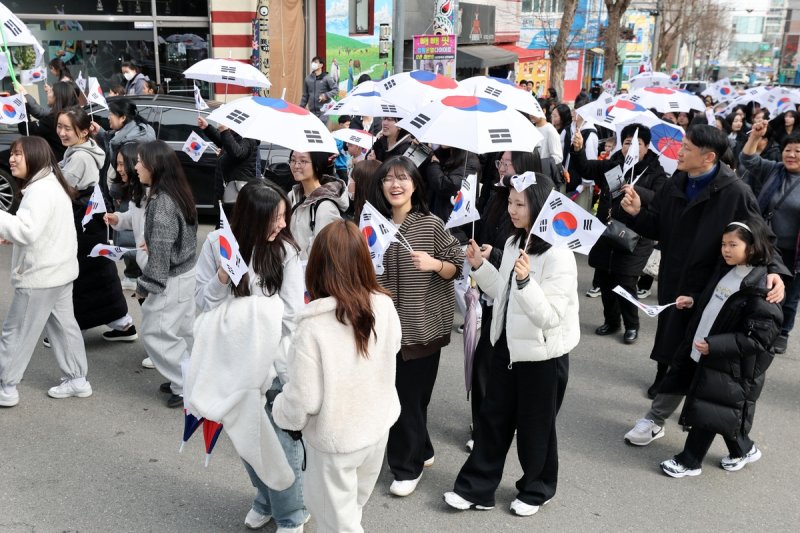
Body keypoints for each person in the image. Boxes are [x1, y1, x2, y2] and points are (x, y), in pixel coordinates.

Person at [619, 125, 788, 443]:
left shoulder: (735, 191)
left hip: (713, 289)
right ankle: (719, 436)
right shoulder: (677, 182)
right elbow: (658, 225)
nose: (678, 152)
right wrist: (637, 213)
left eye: (686, 147)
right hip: (674, 280)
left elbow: (761, 235)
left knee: (695, 355)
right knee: (680, 350)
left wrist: (774, 269)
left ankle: (691, 430)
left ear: (708, 156)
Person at [444, 172, 578, 517]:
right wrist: (480, 265)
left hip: (542, 355)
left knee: (536, 429)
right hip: (505, 347)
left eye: (520, 203)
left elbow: (549, 316)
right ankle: (476, 488)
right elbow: (501, 292)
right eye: (510, 202)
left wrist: (525, 280)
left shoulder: (560, 255)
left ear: (541, 207)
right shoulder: (517, 242)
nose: (512, 209)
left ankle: (538, 488)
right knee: (493, 419)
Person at [272, 220, 402, 533]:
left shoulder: (313, 326)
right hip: (376, 428)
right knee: (351, 511)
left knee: (336, 524)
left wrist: (281, 411)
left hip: (335, 441)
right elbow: (394, 346)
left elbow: (304, 398)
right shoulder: (383, 304)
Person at [194, 181, 308, 532]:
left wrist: (250, 315)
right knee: (245, 438)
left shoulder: (286, 250)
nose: (281, 226)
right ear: (250, 219)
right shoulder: (218, 244)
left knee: (280, 444)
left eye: (283, 217)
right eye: (273, 220)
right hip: (232, 363)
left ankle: (291, 514)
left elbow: (291, 313)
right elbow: (201, 302)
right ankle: (265, 498)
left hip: (273, 363)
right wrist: (222, 277)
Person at [368, 156, 464, 497]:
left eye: (402, 178)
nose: (395, 185)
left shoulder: (430, 224)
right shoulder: (373, 226)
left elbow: (457, 264)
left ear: (414, 184)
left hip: (424, 327)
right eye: (388, 179)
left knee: (410, 399)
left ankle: (406, 469)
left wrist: (434, 263)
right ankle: (418, 453)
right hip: (386, 328)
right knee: (403, 398)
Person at [658, 219, 782, 477]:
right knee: (721, 409)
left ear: (752, 246)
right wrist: (694, 300)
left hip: (730, 364)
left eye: (733, 244)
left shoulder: (761, 288)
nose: (726, 249)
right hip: (705, 350)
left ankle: (689, 461)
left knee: (710, 409)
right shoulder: (728, 269)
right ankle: (743, 449)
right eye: (724, 244)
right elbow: (716, 301)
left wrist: (715, 345)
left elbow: (759, 340)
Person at [0, 136, 90, 407]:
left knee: (16, 332)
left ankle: (6, 386)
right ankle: (77, 379)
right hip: (59, 270)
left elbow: (27, 230)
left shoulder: (40, 189)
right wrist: (13, 233)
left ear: (35, 157)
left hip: (40, 275)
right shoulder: (50, 182)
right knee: (64, 328)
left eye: (18, 154)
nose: (12, 159)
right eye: (12, 154)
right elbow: (41, 229)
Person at [468, 150, 542, 451]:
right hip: (493, 300)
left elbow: (545, 311)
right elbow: (500, 284)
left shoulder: (546, 244)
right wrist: (479, 260)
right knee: (482, 364)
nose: (502, 168)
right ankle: (483, 425)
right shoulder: (496, 194)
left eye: (508, 164)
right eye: (500, 162)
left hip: (528, 327)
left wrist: (497, 258)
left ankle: (496, 426)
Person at [571, 124, 667, 345]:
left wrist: (636, 191)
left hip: (637, 236)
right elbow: (585, 168)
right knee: (605, 279)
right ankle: (612, 321)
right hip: (608, 232)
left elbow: (660, 197)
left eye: (637, 144)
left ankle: (631, 325)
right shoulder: (614, 165)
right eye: (627, 143)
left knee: (625, 281)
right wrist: (577, 150)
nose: (631, 147)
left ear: (646, 147)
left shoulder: (655, 171)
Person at [57, 106, 137, 342]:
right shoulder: (81, 149)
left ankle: (75, 329)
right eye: (59, 126)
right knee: (98, 271)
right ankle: (123, 324)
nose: (61, 132)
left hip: (84, 219)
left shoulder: (80, 156)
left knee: (82, 273)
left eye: (67, 128)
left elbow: (67, 190)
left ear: (83, 131)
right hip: (90, 218)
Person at [135, 141, 198, 408]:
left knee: (157, 333)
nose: (136, 166)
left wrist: (145, 285)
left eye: (140, 161)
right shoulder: (177, 193)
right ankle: (185, 379)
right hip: (185, 273)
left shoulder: (161, 202)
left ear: (155, 166)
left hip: (170, 279)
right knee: (182, 332)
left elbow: (160, 254)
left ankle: (185, 386)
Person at [740, 122, 800, 354]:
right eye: (788, 150)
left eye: (797, 151)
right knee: (760, 288)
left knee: (791, 294)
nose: (792, 155)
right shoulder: (774, 169)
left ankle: (783, 331)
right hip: (765, 244)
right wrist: (755, 136)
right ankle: (759, 325)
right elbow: (747, 159)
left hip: (793, 253)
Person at [286, 151, 349, 260]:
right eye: (293, 160)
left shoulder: (325, 207)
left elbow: (325, 254)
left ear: (317, 164)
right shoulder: (293, 196)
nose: (296, 166)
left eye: (303, 161)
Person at [105, 143, 149, 296]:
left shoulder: (156, 195)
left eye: (121, 164)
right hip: (146, 269)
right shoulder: (139, 192)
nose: (118, 169)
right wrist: (117, 219)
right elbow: (133, 216)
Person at [197, 115, 261, 218]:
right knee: (223, 227)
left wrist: (225, 131)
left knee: (231, 227)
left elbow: (237, 152)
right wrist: (208, 128)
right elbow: (224, 142)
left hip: (236, 194)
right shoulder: (236, 135)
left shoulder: (249, 139)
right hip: (227, 193)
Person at [91, 98, 156, 200]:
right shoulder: (127, 132)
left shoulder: (133, 141)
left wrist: (118, 192)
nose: (108, 117)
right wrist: (100, 133)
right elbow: (113, 142)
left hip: (128, 196)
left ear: (122, 118)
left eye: (111, 114)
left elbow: (131, 174)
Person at [15, 81, 79, 160]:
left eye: (51, 90)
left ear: (57, 96)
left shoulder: (54, 119)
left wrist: (23, 106)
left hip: (58, 164)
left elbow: (25, 128)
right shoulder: (77, 113)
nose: (48, 92)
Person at [424, 145, 480, 230]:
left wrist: (434, 164)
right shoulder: (442, 153)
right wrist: (422, 150)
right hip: (431, 216)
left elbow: (447, 186)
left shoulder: (469, 162)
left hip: (452, 225)